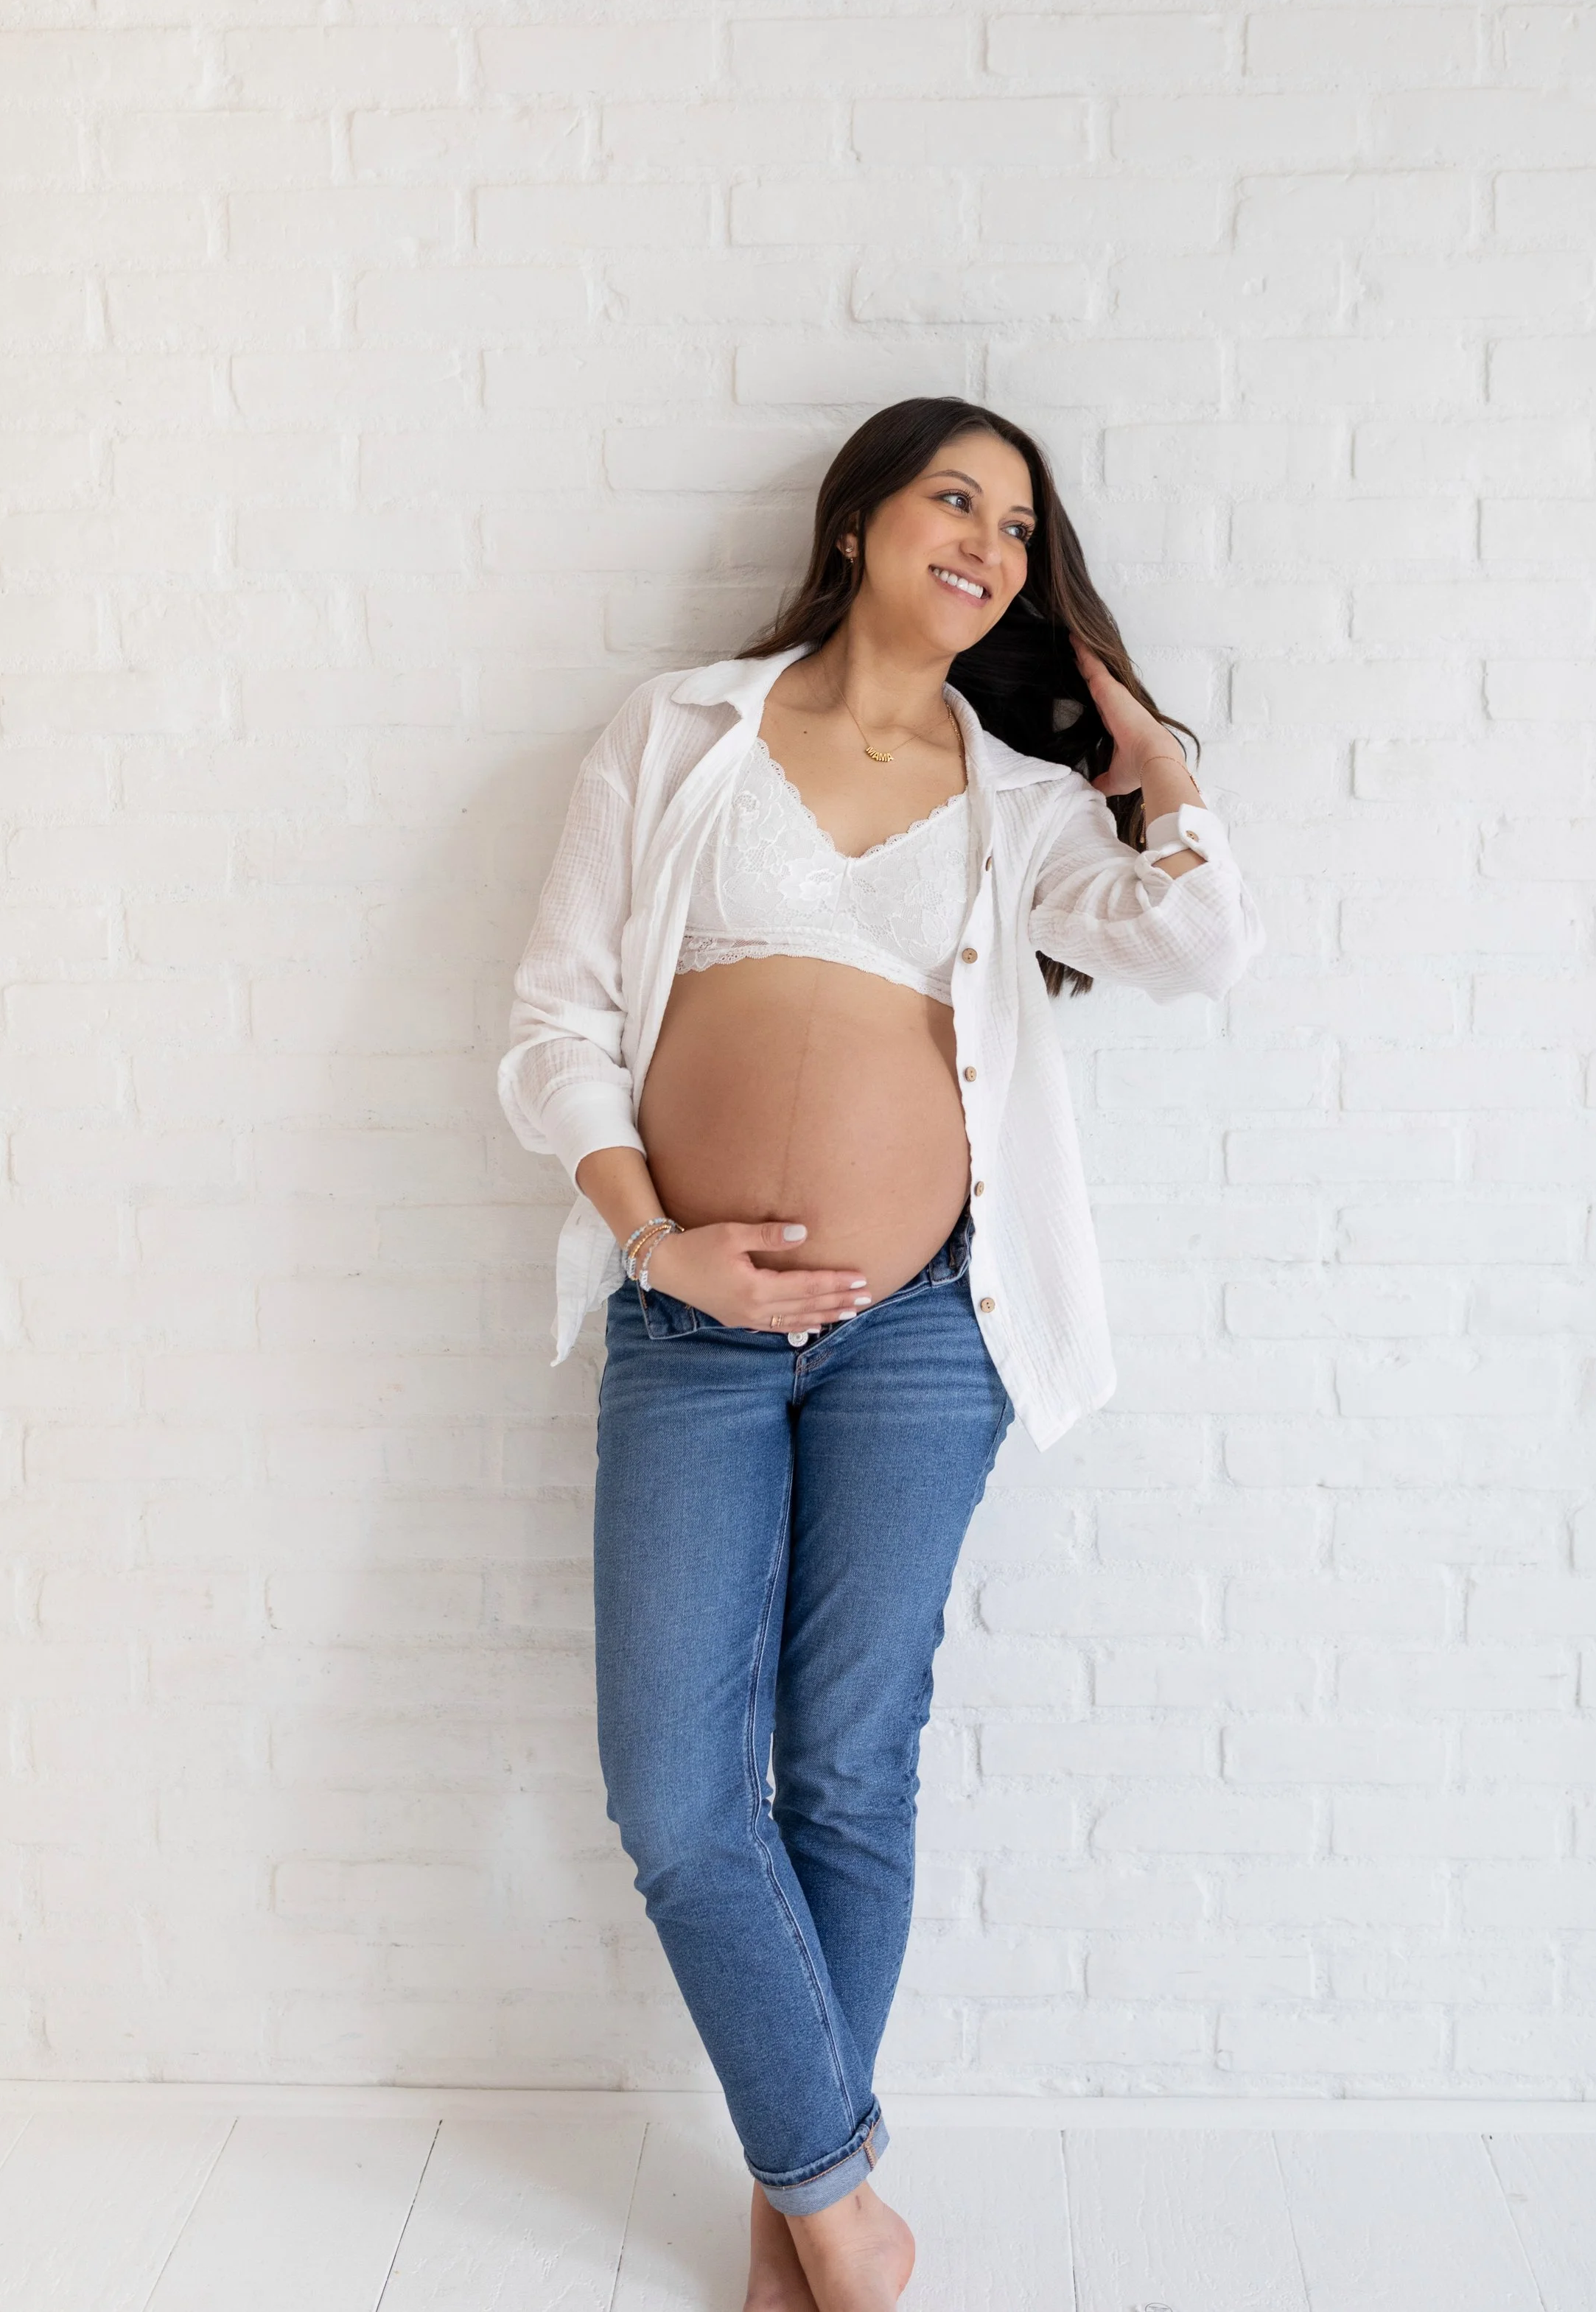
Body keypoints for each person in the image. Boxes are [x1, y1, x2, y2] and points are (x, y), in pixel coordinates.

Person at [499, 396, 1266, 2312]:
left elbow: (1198, 949)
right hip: (691, 1315)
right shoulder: (681, 732)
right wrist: (651, 1227)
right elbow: (553, 1023)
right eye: (954, 494)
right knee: (676, 1791)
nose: (990, 539)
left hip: (925, 1333)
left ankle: (793, 2217)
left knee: (844, 1763)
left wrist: (1154, 767)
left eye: (1019, 522)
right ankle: (845, 2200)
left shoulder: (1019, 805)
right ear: (856, 521)